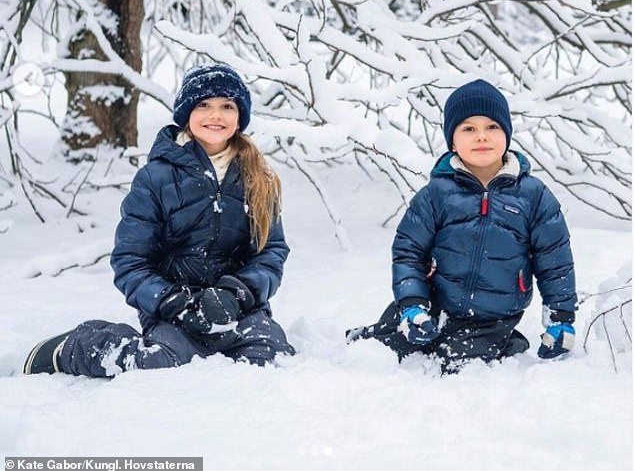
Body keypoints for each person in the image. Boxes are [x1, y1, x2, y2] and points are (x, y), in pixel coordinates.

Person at [24, 64, 295, 377]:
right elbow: (130, 261)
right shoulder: (156, 178)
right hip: (173, 311)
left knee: (269, 360)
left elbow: (270, 252)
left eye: (227, 106)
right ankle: (76, 347)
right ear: (185, 114)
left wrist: (237, 293)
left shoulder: (258, 178)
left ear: (240, 116)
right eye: (203, 105)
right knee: (159, 366)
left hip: (240, 309)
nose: (215, 115)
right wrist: (175, 303)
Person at [346, 79, 577, 373]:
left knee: (455, 363)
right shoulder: (437, 194)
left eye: (492, 127)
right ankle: (384, 330)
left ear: (506, 134)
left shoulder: (533, 196)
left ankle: (507, 342)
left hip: (491, 316)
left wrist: (560, 318)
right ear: (453, 141)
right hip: (435, 303)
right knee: (385, 349)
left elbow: (555, 261)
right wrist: (413, 304)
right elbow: (408, 252)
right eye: (469, 128)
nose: (482, 136)